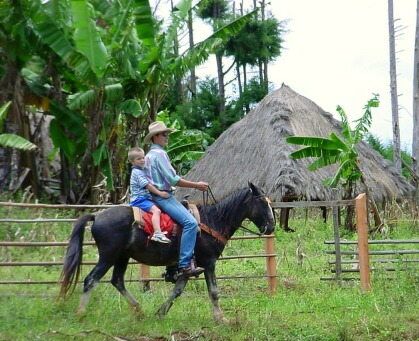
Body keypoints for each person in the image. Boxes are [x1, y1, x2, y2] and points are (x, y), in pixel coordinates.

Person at [144, 121, 209, 278]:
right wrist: (196, 185)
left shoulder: (148, 155)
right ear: (155, 137)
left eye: (168, 134)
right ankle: (184, 265)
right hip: (163, 196)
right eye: (164, 135)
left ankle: (170, 269)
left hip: (152, 195)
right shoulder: (160, 155)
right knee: (190, 223)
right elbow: (173, 180)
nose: (167, 137)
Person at [128, 147, 171, 244]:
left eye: (143, 158)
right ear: (132, 162)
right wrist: (160, 193)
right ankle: (158, 233)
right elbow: (147, 185)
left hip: (144, 198)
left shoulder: (141, 170)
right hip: (140, 199)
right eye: (138, 159)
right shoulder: (137, 172)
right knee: (156, 211)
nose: (142, 160)